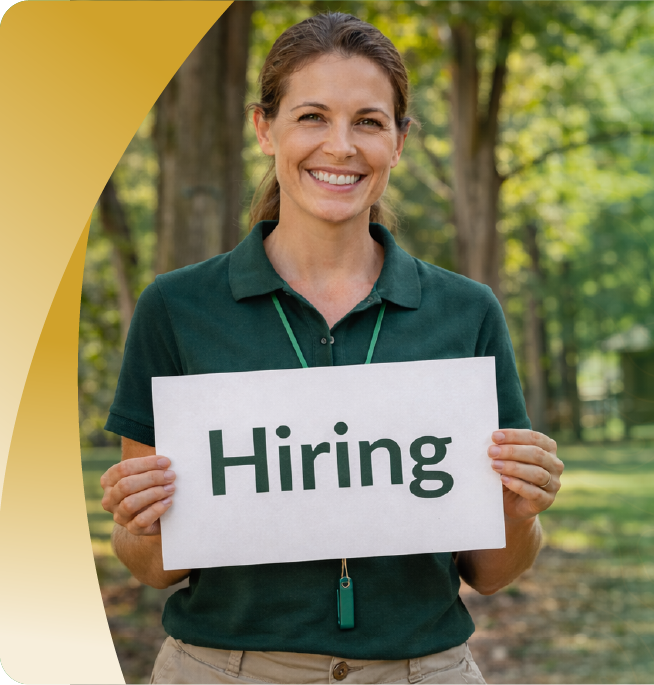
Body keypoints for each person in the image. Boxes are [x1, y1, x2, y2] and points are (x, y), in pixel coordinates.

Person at [96, 13, 561, 685]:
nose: (340, 146)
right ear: (265, 128)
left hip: (420, 669)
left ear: (399, 141)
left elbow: (492, 572)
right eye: (312, 116)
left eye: (368, 122)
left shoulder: (466, 313)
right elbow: (153, 565)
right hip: (223, 668)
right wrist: (136, 520)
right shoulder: (176, 307)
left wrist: (520, 512)